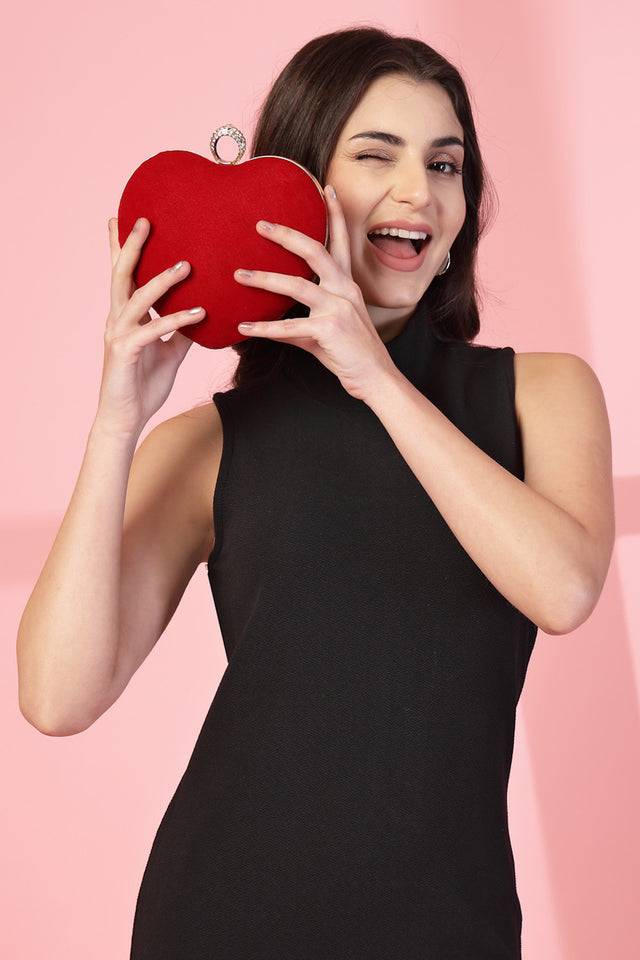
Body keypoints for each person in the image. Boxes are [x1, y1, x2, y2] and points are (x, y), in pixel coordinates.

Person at [17, 26, 614, 959]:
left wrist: (375, 376)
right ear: (298, 188)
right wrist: (116, 422)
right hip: (219, 920)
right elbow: (57, 696)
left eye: (445, 163)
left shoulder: (543, 392)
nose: (419, 191)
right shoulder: (213, 444)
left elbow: (565, 587)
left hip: (449, 929)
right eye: (376, 155)